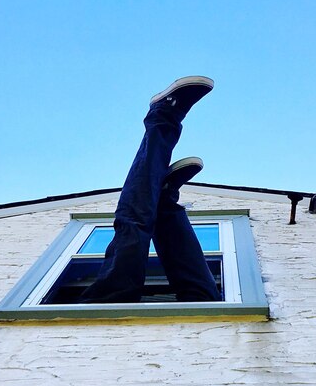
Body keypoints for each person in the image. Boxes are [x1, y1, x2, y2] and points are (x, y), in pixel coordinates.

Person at [80, 76, 221, 304]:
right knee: (204, 299)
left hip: (99, 310)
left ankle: (163, 116)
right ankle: (164, 200)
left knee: (131, 240)